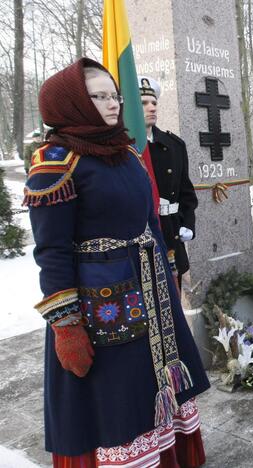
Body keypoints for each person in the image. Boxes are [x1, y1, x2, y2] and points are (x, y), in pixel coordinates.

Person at [24, 58, 210, 467]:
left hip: (152, 293)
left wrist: (168, 271)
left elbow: (149, 223)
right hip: (103, 302)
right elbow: (51, 250)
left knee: (153, 385)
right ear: (71, 101)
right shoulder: (57, 162)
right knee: (118, 398)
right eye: (99, 95)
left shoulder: (123, 150)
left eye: (114, 95)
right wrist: (66, 325)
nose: (112, 103)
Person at [140, 76, 198, 287]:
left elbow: (186, 193)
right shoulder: (121, 148)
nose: (152, 107)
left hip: (171, 232)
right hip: (140, 239)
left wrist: (188, 223)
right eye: (143, 103)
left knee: (174, 295)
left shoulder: (174, 145)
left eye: (154, 102)